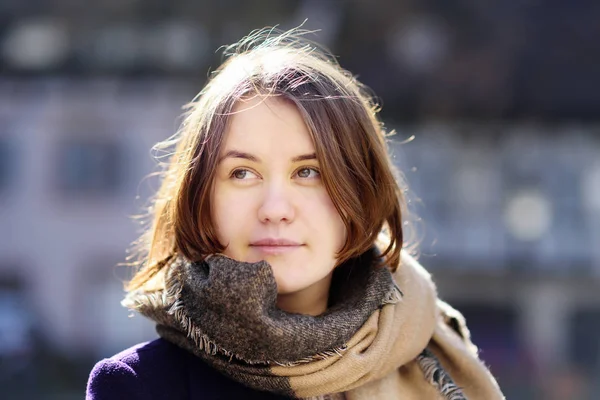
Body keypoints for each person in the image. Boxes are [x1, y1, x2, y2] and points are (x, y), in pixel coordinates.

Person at [86, 28, 505, 400]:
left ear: (361, 189)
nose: (275, 209)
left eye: (309, 172)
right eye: (242, 173)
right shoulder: (140, 386)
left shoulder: (435, 357)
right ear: (200, 196)